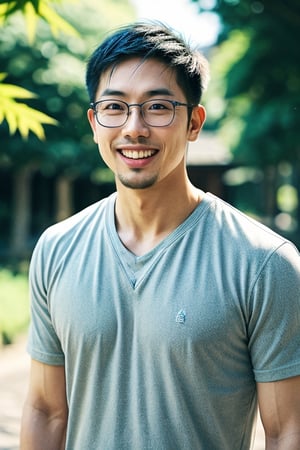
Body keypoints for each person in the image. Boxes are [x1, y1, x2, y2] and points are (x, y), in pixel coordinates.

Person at [20, 21, 300, 450]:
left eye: (158, 107)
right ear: (95, 123)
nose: (134, 128)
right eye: (115, 107)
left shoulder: (264, 262)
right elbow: (45, 410)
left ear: (194, 122)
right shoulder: (57, 248)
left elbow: (286, 431)